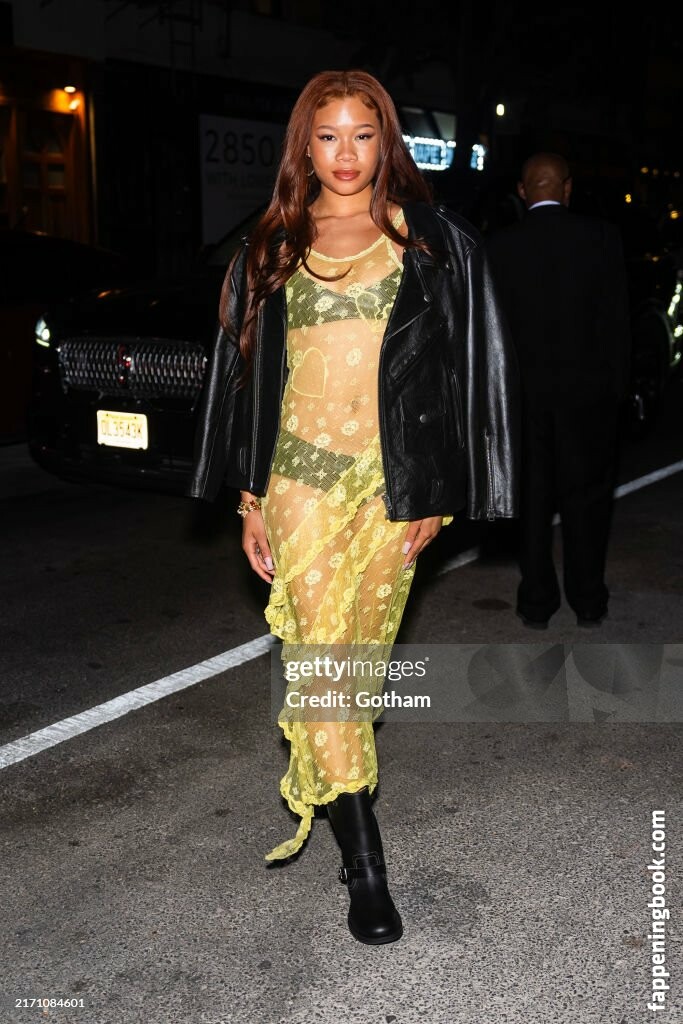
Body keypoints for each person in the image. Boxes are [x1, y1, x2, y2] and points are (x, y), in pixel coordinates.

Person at [187, 69, 519, 945]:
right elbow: (249, 378)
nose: (345, 153)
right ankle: (366, 865)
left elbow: (463, 374)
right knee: (322, 659)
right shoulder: (272, 243)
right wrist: (249, 496)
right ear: (304, 145)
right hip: (298, 482)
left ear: (386, 143)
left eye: (362, 135)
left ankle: (344, 800)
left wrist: (440, 493)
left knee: (357, 665)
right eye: (327, 135)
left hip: (389, 486)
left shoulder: (431, 240)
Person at [485, 152, 631, 629]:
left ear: (523, 191)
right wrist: (618, 391)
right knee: (587, 501)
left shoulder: (499, 246)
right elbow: (617, 323)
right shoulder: (602, 238)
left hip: (523, 401)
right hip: (587, 399)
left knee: (530, 503)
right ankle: (588, 601)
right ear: (567, 188)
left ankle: (536, 603)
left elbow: (490, 333)